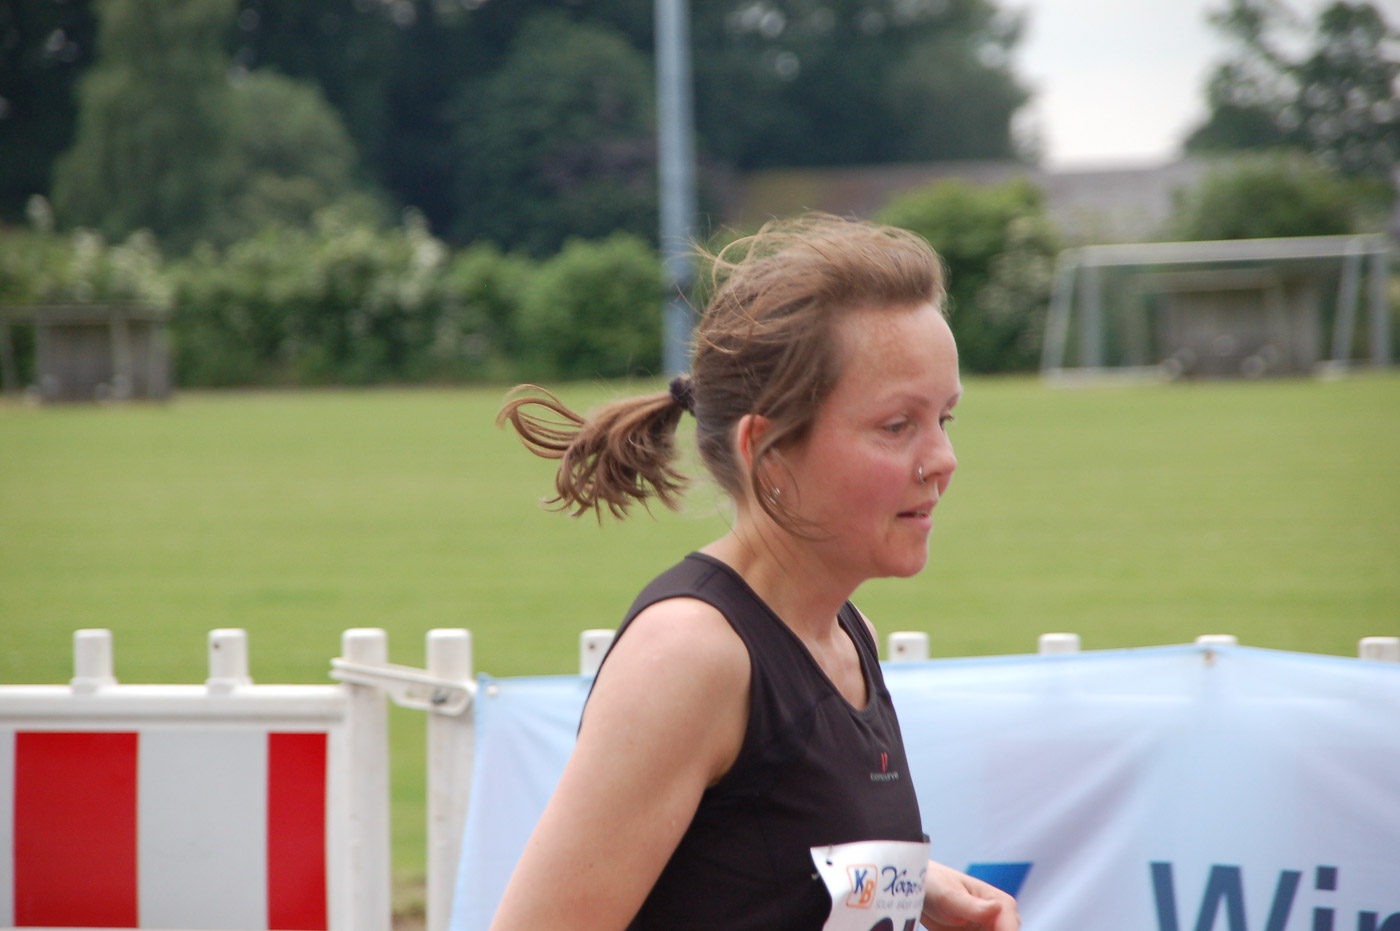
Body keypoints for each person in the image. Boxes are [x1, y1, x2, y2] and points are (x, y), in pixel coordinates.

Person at [492, 214, 1019, 931]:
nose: (943, 460)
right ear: (765, 452)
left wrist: (915, 886)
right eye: (897, 425)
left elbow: (755, 859)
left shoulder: (845, 633)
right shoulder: (691, 656)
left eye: (945, 420)